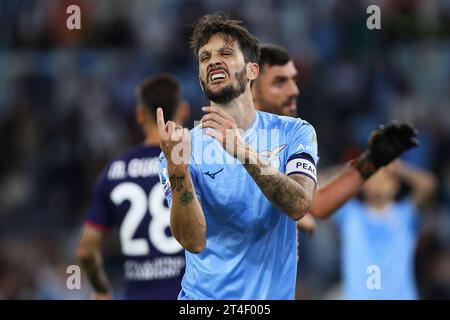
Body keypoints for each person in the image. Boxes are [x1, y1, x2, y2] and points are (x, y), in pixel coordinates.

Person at [158, 13, 319, 300]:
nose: (213, 61)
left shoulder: (294, 132)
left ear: (252, 71)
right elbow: (192, 241)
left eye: (226, 53)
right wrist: (177, 170)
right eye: (205, 57)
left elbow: (299, 204)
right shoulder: (181, 148)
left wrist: (243, 151)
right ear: (199, 77)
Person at [251, 43, 420, 230]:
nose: (294, 91)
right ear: (251, 90)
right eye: (280, 82)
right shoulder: (221, 140)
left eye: (294, 81)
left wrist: (372, 161)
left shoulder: (287, 138)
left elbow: (318, 204)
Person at [76, 74, 189, 300]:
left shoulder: (114, 171)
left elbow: (86, 251)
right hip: (188, 295)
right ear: (183, 110)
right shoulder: (192, 163)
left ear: (139, 115)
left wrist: (101, 289)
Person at [333, 160, 436, 299]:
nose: (379, 179)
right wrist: (355, 168)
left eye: (385, 175)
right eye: (373, 175)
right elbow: (317, 187)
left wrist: (399, 168)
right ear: (363, 184)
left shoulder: (405, 215)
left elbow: (429, 186)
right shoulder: (350, 213)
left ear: (395, 185)